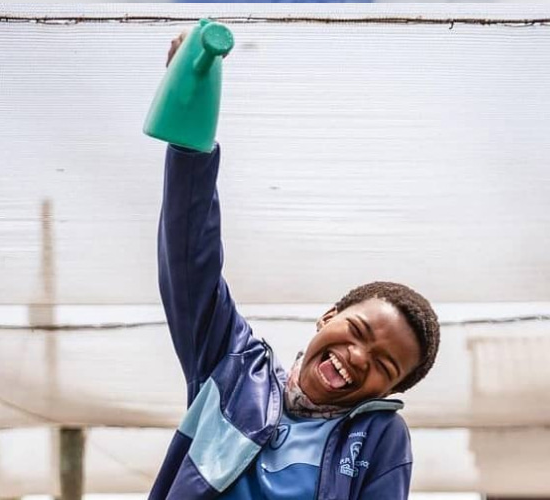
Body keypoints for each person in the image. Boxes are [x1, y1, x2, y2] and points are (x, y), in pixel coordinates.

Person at [149, 32, 440, 500]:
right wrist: (190, 142)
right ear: (328, 316)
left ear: (389, 391)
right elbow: (189, 260)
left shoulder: (381, 439)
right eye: (358, 331)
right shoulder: (233, 369)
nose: (358, 358)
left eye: (384, 365)